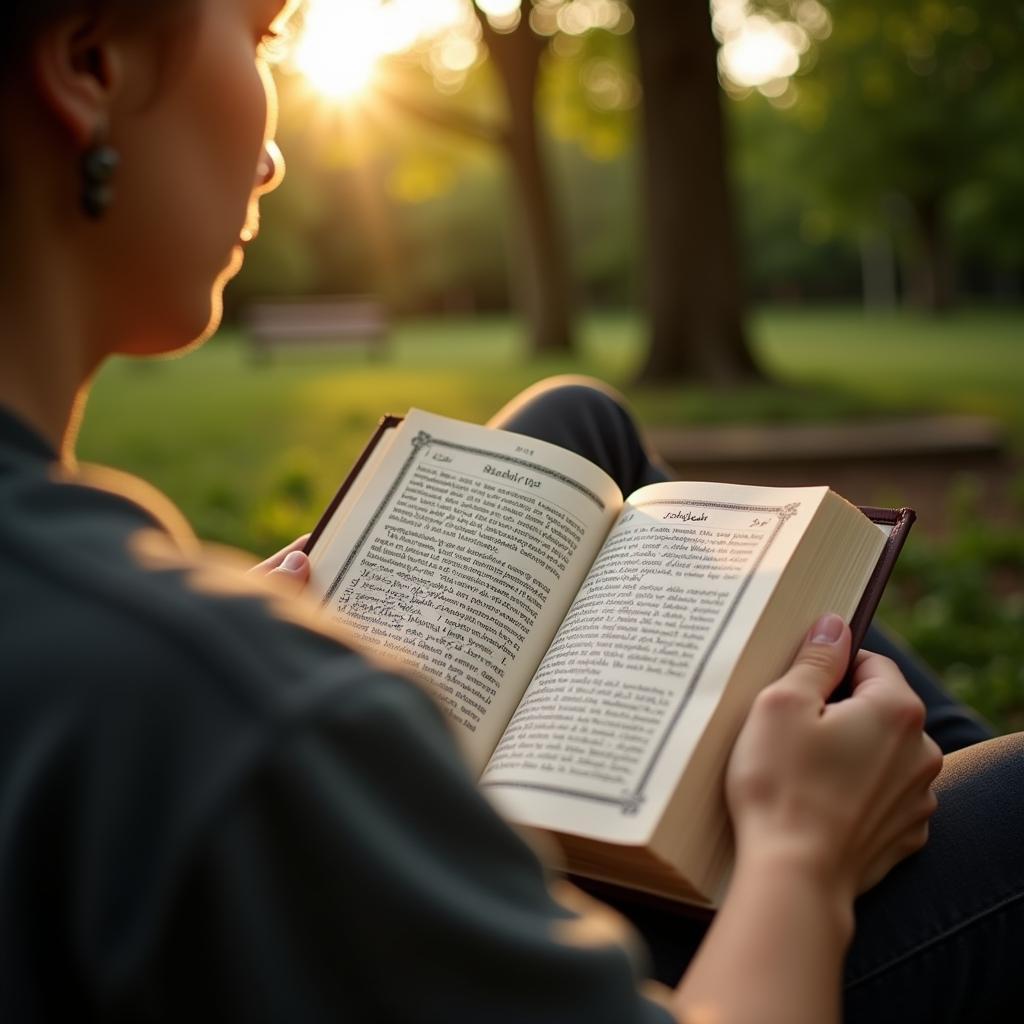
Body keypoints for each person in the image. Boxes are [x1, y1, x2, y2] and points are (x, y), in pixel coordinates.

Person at [0, 1, 1020, 1020]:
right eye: (263, 36)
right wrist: (800, 850)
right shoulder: (216, 700)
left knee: (578, 422)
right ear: (92, 63)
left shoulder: (112, 633)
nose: (271, 160)